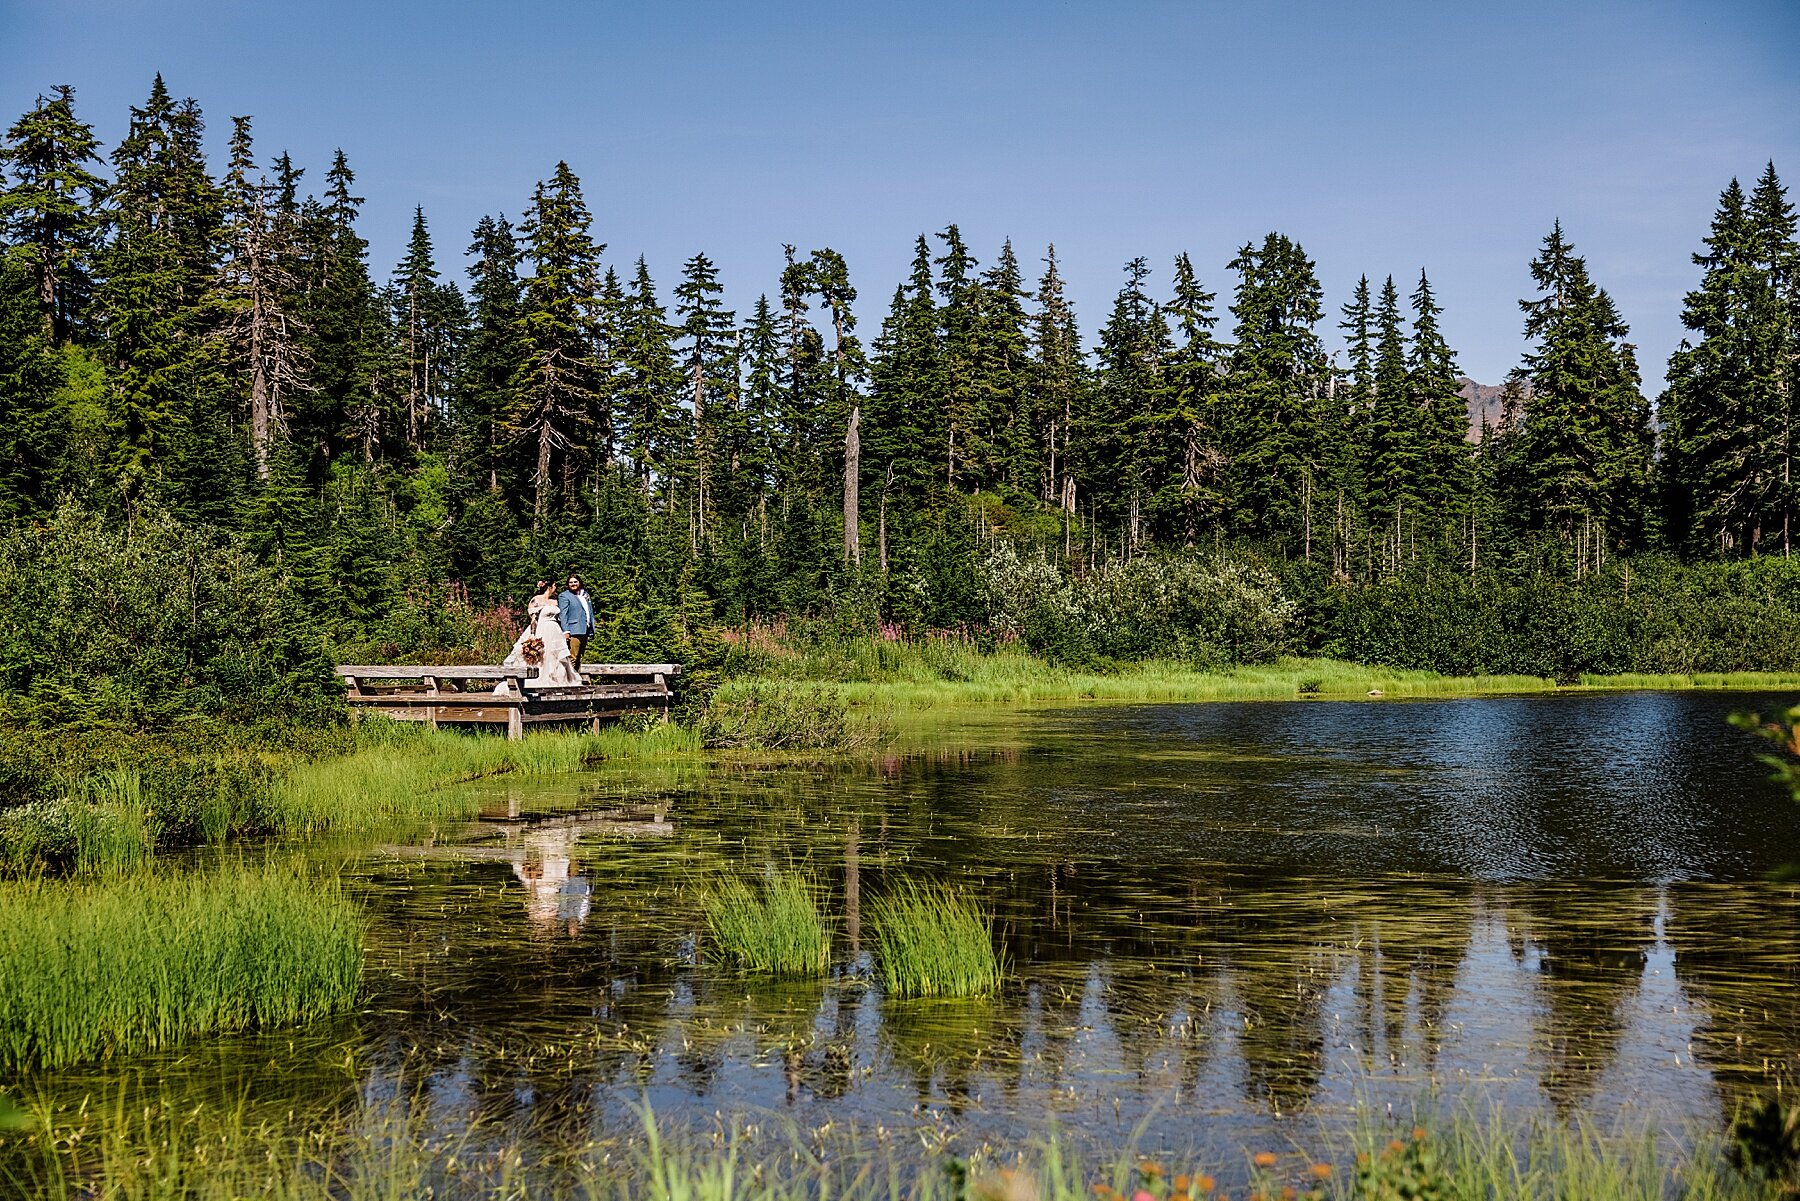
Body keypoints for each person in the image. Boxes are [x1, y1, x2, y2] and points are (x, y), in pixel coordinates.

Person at [496, 581, 580, 692]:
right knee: (543, 654)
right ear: (549, 587)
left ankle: (558, 680)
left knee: (556, 655)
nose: (555, 589)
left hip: (555, 630)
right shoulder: (536, 600)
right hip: (543, 629)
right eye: (554, 586)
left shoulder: (555, 602)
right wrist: (532, 634)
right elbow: (533, 620)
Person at [557, 572, 594, 670]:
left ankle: (577, 678)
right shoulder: (564, 596)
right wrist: (566, 631)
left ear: (579, 582)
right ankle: (569, 680)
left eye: (575, 582)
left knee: (580, 657)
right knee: (572, 657)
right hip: (573, 631)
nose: (573, 584)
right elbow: (563, 614)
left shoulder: (585, 594)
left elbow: (589, 611)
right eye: (571, 582)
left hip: (585, 629)